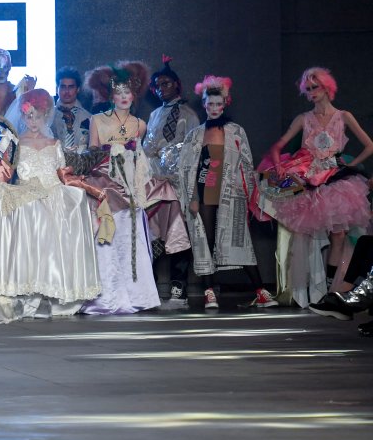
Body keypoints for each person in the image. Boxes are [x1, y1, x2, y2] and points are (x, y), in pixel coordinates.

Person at [0, 89, 101, 320]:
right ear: (22, 116)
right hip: (29, 195)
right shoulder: (16, 144)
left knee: (55, 236)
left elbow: (62, 174)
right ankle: (27, 294)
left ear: (46, 115)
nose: (33, 121)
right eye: (29, 116)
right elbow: (2, 173)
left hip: (53, 194)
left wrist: (82, 187)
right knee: (32, 223)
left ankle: (52, 292)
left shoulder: (54, 143)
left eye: (38, 116)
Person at [267, 67, 372, 294]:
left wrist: (351, 164)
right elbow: (278, 146)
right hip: (309, 179)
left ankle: (330, 287)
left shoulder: (343, 116)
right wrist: (279, 169)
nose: (311, 92)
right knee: (304, 234)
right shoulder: (304, 119)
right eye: (308, 89)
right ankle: (306, 290)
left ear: (327, 87)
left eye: (315, 87)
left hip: (336, 179)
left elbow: (370, 145)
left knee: (339, 233)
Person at [178, 76, 277, 310]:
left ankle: (260, 291)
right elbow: (186, 169)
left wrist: (253, 190)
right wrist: (192, 197)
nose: (213, 109)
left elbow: (246, 164)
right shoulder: (195, 135)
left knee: (240, 241)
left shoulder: (236, 131)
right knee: (206, 241)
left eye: (218, 104)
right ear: (203, 105)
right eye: (209, 104)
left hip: (232, 192)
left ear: (225, 104)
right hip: (205, 190)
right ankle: (209, 292)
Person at [80, 62, 161, 315]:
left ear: (134, 95)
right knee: (107, 238)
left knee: (130, 239)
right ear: (111, 95)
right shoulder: (97, 121)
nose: (124, 97)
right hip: (104, 187)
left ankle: (137, 295)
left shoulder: (141, 124)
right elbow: (91, 156)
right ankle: (107, 295)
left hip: (130, 188)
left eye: (128, 92)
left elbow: (141, 160)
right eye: (119, 92)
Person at [142, 56, 200, 309]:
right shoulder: (154, 114)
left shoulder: (189, 115)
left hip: (179, 182)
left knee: (179, 234)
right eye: (157, 85)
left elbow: (194, 150)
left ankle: (179, 288)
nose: (161, 88)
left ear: (177, 84)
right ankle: (149, 287)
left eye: (166, 83)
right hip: (155, 182)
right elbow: (148, 146)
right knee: (153, 232)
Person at [50, 66, 91, 151]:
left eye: (71, 87)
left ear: (78, 89)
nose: (67, 91)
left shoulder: (88, 117)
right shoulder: (48, 116)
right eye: (63, 87)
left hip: (81, 163)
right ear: (57, 88)